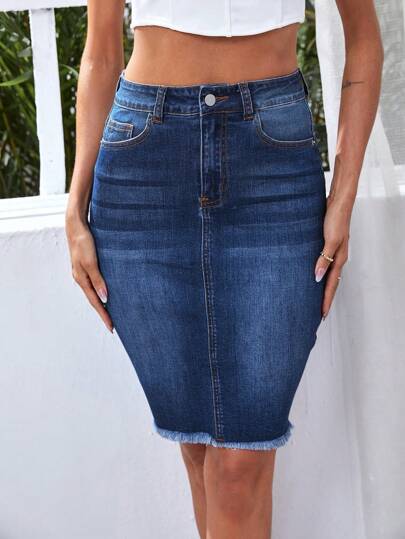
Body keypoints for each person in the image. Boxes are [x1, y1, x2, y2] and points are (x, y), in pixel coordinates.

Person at [65, 0, 383, 536]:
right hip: (144, 169)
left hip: (273, 165)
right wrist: (75, 208)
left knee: (239, 465)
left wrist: (343, 197)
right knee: (199, 451)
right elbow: (101, 53)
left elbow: (364, 37)